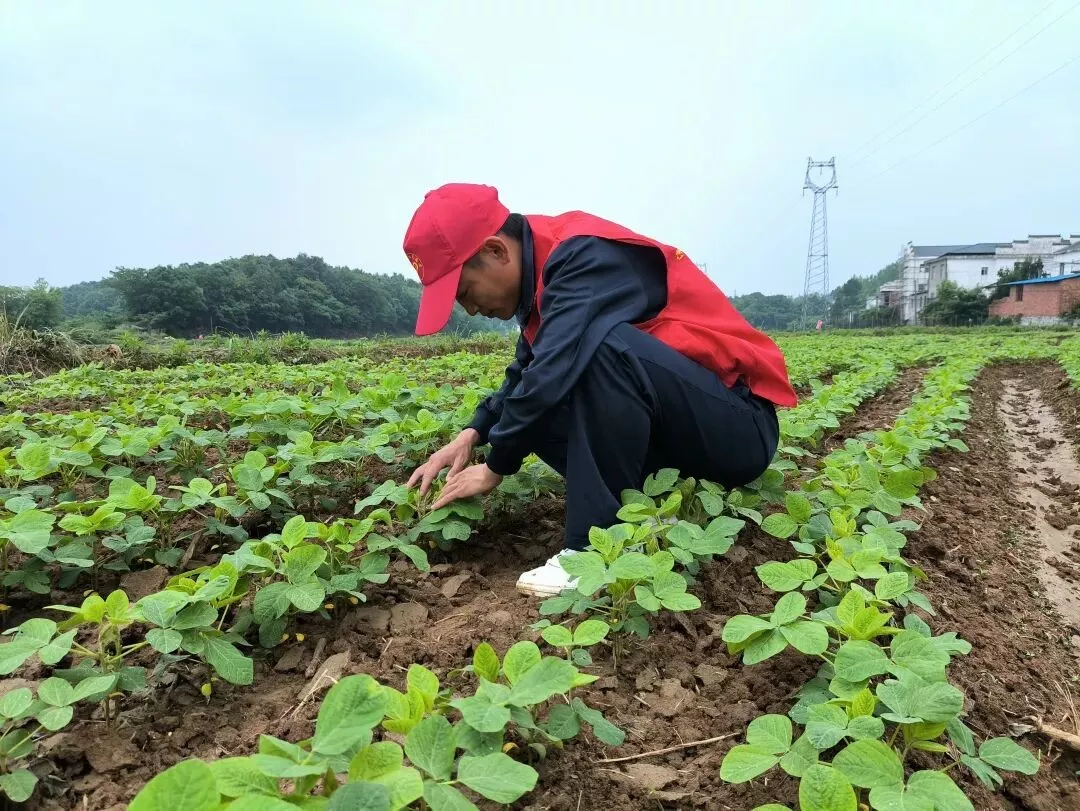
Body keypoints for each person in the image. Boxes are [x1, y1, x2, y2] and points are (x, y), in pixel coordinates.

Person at [402, 183, 797, 597]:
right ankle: (643, 514)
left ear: (497, 251)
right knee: (541, 402)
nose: (469, 308)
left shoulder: (582, 258)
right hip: (685, 431)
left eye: (464, 292)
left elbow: (551, 371)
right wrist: (473, 433)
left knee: (597, 350)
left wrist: (496, 465)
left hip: (739, 426)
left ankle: (592, 550)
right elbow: (526, 371)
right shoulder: (542, 282)